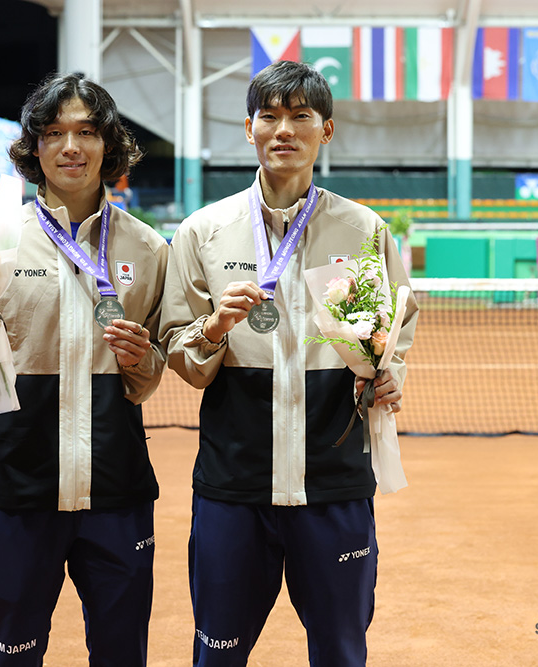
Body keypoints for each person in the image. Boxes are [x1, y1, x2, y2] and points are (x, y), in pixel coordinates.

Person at [159, 60, 419, 666]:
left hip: (334, 483)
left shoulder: (363, 229)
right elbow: (179, 352)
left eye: (301, 116)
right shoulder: (203, 232)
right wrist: (213, 328)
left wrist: (388, 375)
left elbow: (396, 328)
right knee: (218, 653)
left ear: (326, 130)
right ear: (248, 127)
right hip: (234, 486)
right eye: (269, 116)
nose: (284, 130)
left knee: (340, 652)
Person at [0, 72, 169, 666]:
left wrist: (142, 359)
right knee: (11, 654)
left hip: (116, 489)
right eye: (54, 133)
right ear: (35, 147)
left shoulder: (148, 248)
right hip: (17, 486)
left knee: (121, 654)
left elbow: (152, 374)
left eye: (86, 132)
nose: (70, 146)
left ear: (109, 144)